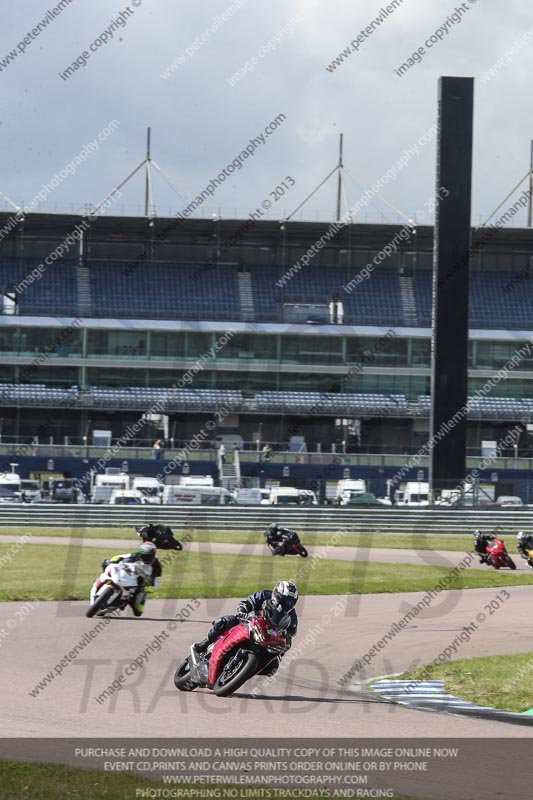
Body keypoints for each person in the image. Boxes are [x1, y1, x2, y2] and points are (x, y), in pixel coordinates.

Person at [193, 581, 299, 675]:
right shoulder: (265, 595)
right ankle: (205, 643)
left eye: (289, 602)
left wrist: (283, 645)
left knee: (273, 666)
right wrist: (243, 610)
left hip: (266, 639)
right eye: (282, 599)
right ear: (275, 593)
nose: (284, 604)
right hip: (248, 623)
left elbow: (288, 640)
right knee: (227, 620)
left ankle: (246, 671)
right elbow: (249, 602)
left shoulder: (292, 618)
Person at [101, 542, 162, 616]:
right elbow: (119, 557)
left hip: (141, 583)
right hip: (129, 574)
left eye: (149, 556)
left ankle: (126, 601)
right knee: (105, 565)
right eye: (144, 556)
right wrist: (111, 561)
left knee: (138, 612)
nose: (146, 558)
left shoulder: (157, 567)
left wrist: (146, 588)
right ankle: (101, 582)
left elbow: (156, 584)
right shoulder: (135, 555)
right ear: (140, 553)